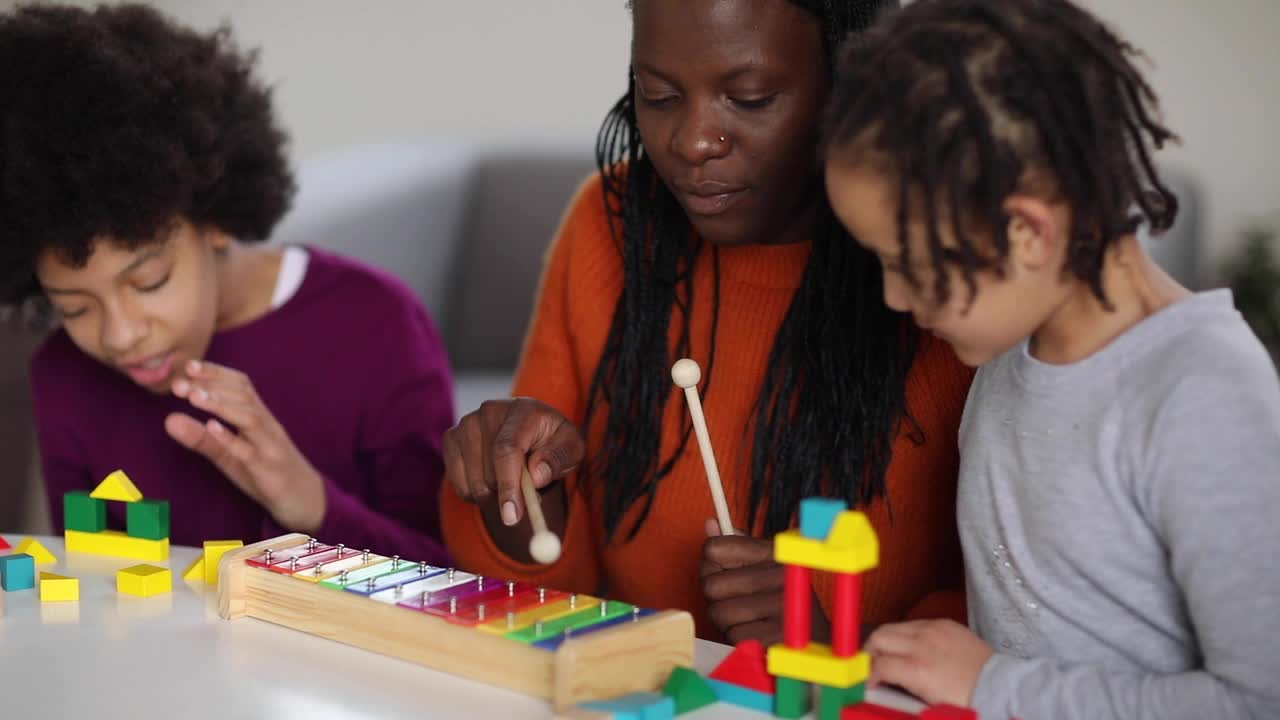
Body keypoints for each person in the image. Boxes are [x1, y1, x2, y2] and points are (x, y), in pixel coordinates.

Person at [440, 0, 975, 643]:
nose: (693, 141)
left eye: (749, 99)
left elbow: (1015, 620)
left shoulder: (954, 281)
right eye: (659, 95)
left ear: (853, 87)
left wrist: (838, 647)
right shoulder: (611, 227)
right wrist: (519, 490)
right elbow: (554, 590)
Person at [821, 0, 1280, 716]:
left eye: (905, 263)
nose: (892, 296)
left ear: (1027, 233)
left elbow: (1259, 700)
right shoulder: (1006, 355)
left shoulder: (1205, 392)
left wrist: (992, 683)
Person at [0, 3, 453, 564]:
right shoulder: (65, 375)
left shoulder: (376, 325)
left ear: (214, 218)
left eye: (149, 281)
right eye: (74, 308)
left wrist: (312, 505)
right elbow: (90, 591)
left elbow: (453, 580)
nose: (119, 337)